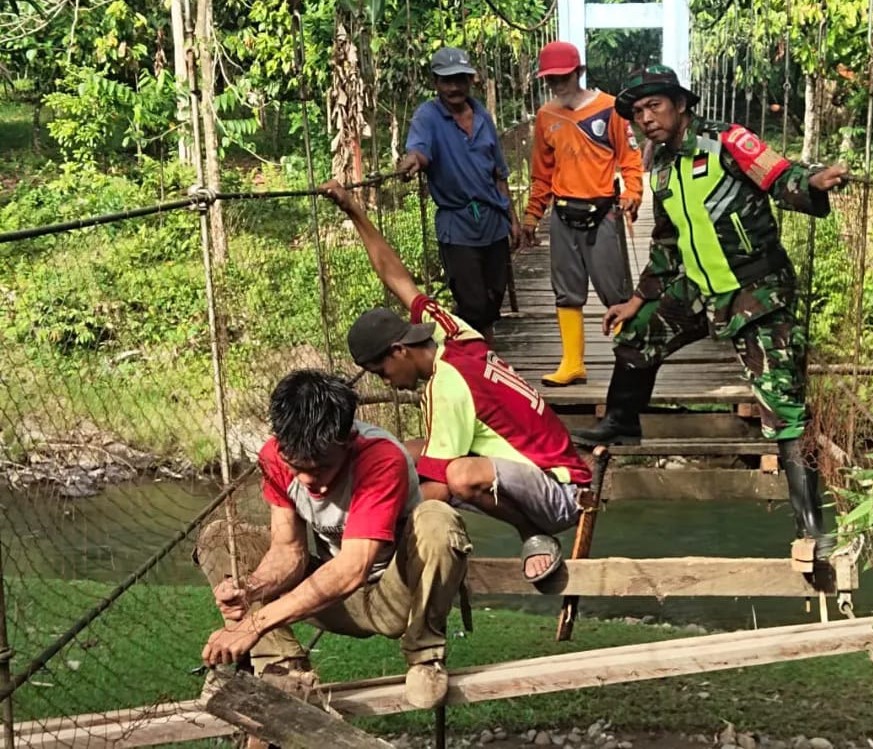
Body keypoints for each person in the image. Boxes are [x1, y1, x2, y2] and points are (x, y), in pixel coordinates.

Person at [573, 67, 850, 561]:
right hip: (699, 288)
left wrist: (814, 182)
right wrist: (638, 300)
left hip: (755, 289)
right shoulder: (658, 165)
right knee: (636, 333)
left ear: (680, 104)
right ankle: (621, 420)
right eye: (637, 113)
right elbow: (666, 241)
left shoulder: (726, 142)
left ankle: (813, 529)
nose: (645, 119)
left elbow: (780, 175)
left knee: (783, 410)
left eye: (654, 106)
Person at [320, 179, 591, 584]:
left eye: (383, 373)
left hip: (560, 492)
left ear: (399, 351)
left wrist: (367, 535)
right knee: (391, 449)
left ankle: (532, 532)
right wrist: (353, 210)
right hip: (534, 465)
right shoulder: (449, 331)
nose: (389, 383)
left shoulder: (446, 388)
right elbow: (396, 277)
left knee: (457, 476)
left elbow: (437, 489)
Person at [197, 369, 471, 710]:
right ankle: (282, 666)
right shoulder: (274, 457)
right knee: (220, 537)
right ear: (282, 448)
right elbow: (289, 551)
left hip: (394, 597)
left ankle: (425, 657)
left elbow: (354, 567)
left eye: (324, 467)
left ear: (347, 440)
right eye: (300, 468)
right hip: (334, 601)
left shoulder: (381, 457)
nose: (313, 483)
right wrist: (250, 589)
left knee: (437, 519)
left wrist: (255, 623)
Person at [521, 40, 644, 388]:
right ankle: (572, 362)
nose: (557, 84)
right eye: (550, 78)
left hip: (603, 212)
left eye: (563, 76)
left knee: (615, 290)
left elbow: (631, 159)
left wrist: (633, 192)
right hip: (562, 214)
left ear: (579, 73)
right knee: (566, 291)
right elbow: (541, 173)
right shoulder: (547, 116)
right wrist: (533, 214)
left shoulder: (610, 109)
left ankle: (630, 360)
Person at [398, 46, 521, 347]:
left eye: (460, 79)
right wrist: (412, 161)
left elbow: (499, 173)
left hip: (493, 219)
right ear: (435, 83)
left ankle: (481, 348)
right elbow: (420, 149)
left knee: (494, 294)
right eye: (446, 80)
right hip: (458, 224)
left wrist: (512, 219)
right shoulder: (427, 116)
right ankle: (473, 357)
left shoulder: (482, 114)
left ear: (470, 80)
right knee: (471, 299)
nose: (454, 87)